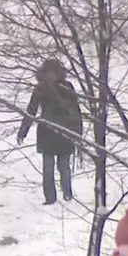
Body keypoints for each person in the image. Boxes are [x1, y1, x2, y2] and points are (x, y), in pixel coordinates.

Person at [16, 58, 83, 205]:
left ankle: (67, 195)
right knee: (48, 169)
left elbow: (76, 111)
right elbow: (31, 110)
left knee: (64, 167)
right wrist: (23, 131)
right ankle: (50, 199)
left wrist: (78, 133)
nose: (51, 76)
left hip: (65, 132)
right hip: (47, 132)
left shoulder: (67, 87)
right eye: (49, 73)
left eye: (54, 72)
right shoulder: (40, 89)